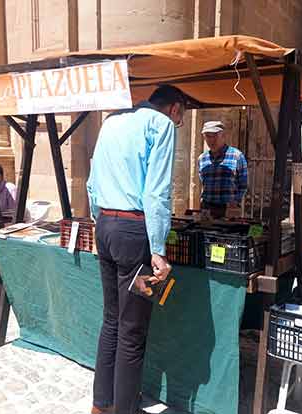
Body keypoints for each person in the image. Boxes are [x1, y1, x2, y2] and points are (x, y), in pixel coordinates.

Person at [86, 85, 185, 414]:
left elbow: (91, 182)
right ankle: (125, 409)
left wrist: (99, 219)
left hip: (106, 227)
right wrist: (158, 249)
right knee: (132, 331)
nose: (179, 123)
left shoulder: (111, 121)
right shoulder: (161, 125)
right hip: (134, 232)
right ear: (174, 109)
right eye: (181, 117)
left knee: (112, 322)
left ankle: (101, 405)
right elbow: (157, 191)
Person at [198, 120, 248, 219]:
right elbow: (203, 182)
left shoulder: (237, 156)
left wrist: (235, 201)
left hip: (229, 209)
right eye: (208, 136)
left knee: (230, 234)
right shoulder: (202, 159)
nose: (211, 140)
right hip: (207, 208)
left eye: (215, 136)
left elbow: (243, 184)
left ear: (223, 136)